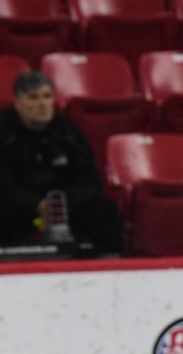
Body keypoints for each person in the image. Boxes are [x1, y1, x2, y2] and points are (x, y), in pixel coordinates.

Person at [0, 70, 122, 253]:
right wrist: (36, 204)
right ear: (18, 103)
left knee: (105, 210)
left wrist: (63, 203)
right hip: (25, 210)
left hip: (65, 207)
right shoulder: (5, 133)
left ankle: (108, 263)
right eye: (33, 98)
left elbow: (89, 179)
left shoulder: (68, 131)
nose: (42, 104)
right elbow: (4, 182)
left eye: (47, 96)